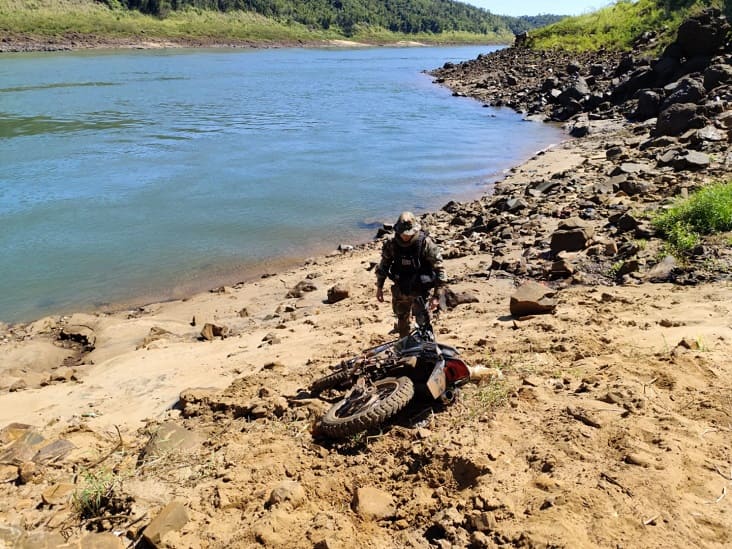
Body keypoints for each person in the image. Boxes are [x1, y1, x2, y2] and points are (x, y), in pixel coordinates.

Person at [375, 211, 446, 337]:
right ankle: (405, 345)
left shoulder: (425, 243)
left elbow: (439, 269)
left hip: (420, 290)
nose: (405, 237)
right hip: (400, 289)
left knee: (423, 323)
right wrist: (379, 287)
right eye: (402, 233)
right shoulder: (392, 244)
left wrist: (436, 296)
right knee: (402, 320)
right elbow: (384, 265)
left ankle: (425, 347)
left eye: (409, 234)